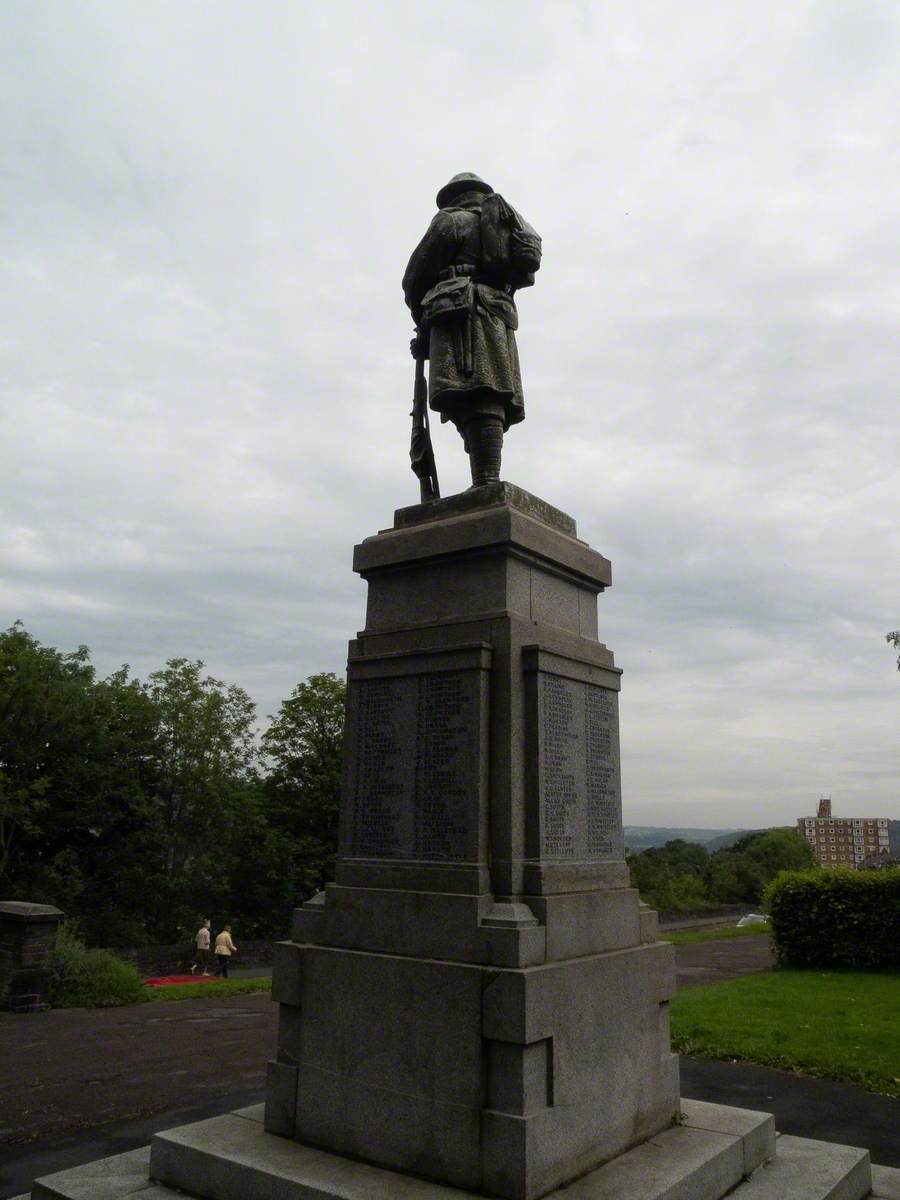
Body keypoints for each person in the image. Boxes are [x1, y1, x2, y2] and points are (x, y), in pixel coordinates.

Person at [402, 172, 541, 487]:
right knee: (487, 398)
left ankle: (486, 479)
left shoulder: (450, 222)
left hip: (459, 314)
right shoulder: (504, 230)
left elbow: (414, 279)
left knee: (474, 397)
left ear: (453, 195)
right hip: (498, 314)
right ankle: (485, 476)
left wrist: (423, 325)